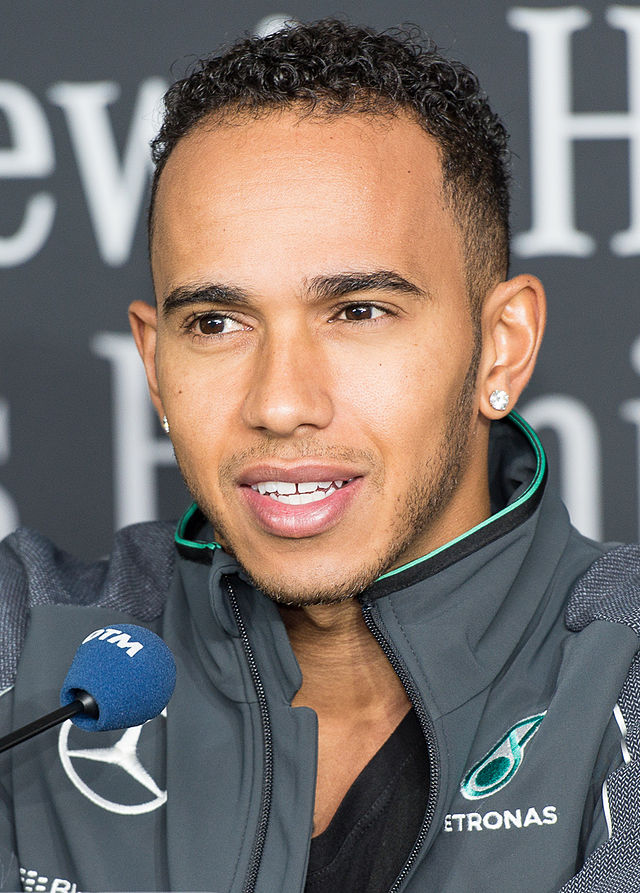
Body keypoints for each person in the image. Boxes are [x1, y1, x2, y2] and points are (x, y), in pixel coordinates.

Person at [1, 18, 639, 893]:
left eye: (359, 311)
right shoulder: (28, 640)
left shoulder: (622, 662)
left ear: (502, 347)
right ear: (155, 366)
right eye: (216, 323)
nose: (280, 402)